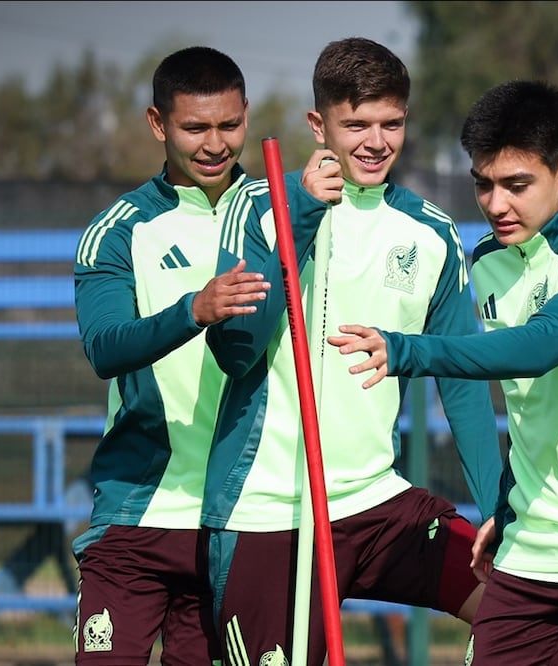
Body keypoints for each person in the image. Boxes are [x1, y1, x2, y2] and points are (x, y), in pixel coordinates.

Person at [332, 79, 558, 666]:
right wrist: (503, 503)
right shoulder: (490, 261)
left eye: (517, 185)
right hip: (529, 554)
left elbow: (540, 348)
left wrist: (408, 350)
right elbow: (530, 410)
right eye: (484, 184)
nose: (497, 204)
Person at [202, 37, 503, 665]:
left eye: (391, 122)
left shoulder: (432, 233)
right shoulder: (261, 207)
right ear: (319, 125)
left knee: (517, 605)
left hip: (376, 502)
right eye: (356, 123)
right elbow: (236, 349)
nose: (376, 141)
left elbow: (465, 389)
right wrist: (306, 216)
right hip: (270, 511)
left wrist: (501, 513)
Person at [72, 46, 269, 665]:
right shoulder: (119, 229)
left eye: (230, 125)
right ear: (158, 124)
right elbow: (105, 347)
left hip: (240, 519)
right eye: (194, 128)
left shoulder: (279, 216)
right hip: (137, 511)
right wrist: (194, 310)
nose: (215, 144)